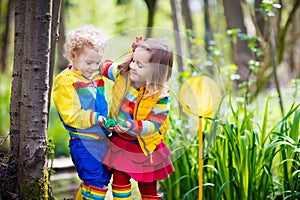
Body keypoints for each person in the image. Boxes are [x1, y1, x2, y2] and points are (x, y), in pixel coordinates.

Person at [100, 37, 175, 200]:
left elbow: (154, 124)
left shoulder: (160, 97)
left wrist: (131, 125)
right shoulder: (123, 75)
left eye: (139, 65)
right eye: (133, 60)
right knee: (119, 181)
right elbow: (104, 67)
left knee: (148, 186)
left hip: (144, 147)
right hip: (121, 142)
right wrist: (85, 64)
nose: (133, 66)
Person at [52, 25, 111, 200]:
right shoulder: (66, 81)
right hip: (83, 143)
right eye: (89, 62)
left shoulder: (94, 76)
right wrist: (97, 118)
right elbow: (71, 115)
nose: (94, 67)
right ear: (73, 56)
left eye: (97, 62)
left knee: (101, 180)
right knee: (95, 182)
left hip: (101, 140)